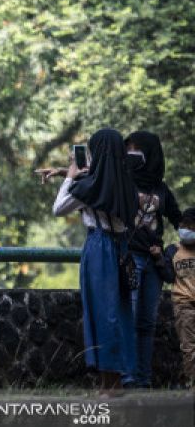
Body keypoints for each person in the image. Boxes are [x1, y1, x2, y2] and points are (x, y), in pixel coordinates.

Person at [45, 129, 138, 395]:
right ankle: (118, 379)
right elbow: (106, 186)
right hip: (122, 247)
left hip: (99, 247)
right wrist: (69, 173)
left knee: (101, 313)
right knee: (119, 313)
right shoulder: (127, 183)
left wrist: (70, 177)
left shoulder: (88, 186)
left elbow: (59, 208)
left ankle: (108, 384)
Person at [119, 131, 182, 388]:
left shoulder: (161, 189)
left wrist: (175, 247)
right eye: (128, 149)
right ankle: (126, 377)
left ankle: (142, 379)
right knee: (128, 318)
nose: (132, 154)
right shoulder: (123, 182)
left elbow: (178, 219)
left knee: (147, 323)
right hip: (130, 257)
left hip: (155, 263)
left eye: (136, 148)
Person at [165, 208, 195, 387]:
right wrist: (159, 259)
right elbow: (169, 276)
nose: (186, 229)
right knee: (189, 347)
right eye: (183, 225)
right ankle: (192, 383)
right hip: (183, 304)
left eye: (190, 226)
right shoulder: (172, 250)